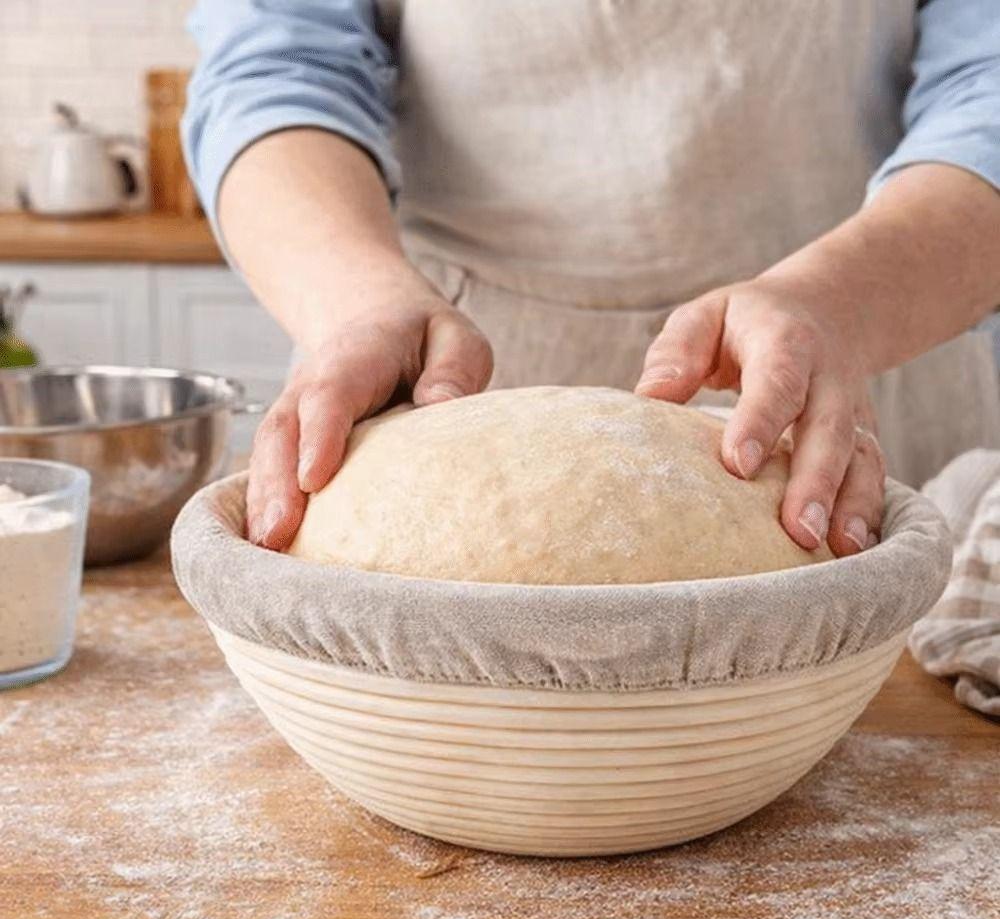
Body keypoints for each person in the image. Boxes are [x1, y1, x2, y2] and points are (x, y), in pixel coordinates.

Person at [183, 0, 1000, 559]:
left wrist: (841, 302)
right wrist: (355, 302)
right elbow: (276, 66)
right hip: (435, 386)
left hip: (851, 354)